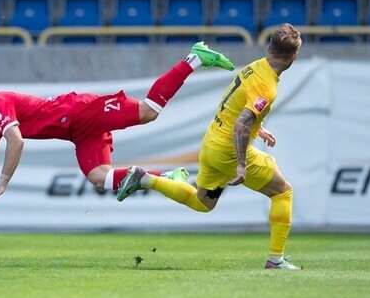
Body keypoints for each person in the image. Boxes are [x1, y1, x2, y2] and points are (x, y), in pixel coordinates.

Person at [0, 42, 234, 215]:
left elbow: (16, 142)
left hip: (80, 112)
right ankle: (168, 176)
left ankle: (194, 58)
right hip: (76, 132)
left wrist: (3, 183)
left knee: (148, 111)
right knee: (100, 178)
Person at [117, 23, 303, 270]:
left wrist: (259, 129)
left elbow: (238, 108)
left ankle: (145, 179)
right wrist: (241, 165)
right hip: (228, 151)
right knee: (283, 192)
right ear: (294, 56)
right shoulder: (267, 87)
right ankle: (275, 260)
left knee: (203, 203)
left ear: (269, 47)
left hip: (211, 143)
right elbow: (241, 124)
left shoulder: (255, 67)